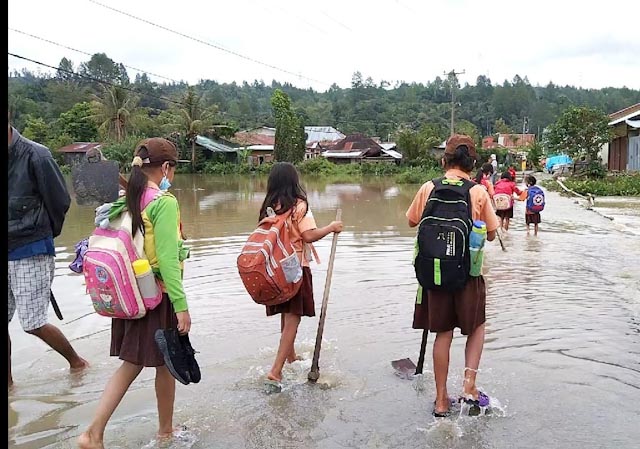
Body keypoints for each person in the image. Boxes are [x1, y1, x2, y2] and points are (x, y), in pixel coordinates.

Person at [78, 138, 192, 449]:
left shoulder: (128, 198)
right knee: (139, 364)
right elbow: (168, 259)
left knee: (155, 363)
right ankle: (93, 434)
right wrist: (181, 305)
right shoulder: (164, 202)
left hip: (129, 293)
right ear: (166, 168)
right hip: (156, 295)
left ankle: (165, 429)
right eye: (174, 169)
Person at [406, 134, 500, 417]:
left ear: (444, 159)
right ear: (472, 163)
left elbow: (412, 221)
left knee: (442, 334)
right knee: (477, 326)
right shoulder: (478, 192)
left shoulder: (428, 187)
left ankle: (441, 400)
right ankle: (469, 386)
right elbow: (493, 235)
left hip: (434, 274)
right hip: (468, 274)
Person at [8, 120, 89, 390]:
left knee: (32, 323)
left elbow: (60, 201)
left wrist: (42, 235)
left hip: (31, 249)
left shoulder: (37, 155)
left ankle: (77, 363)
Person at [260, 162, 343, 386]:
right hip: (296, 267)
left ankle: (290, 356)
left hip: (275, 269)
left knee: (286, 314)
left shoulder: (270, 206)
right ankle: (276, 370)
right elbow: (309, 235)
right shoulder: (299, 205)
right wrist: (332, 227)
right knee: (294, 317)